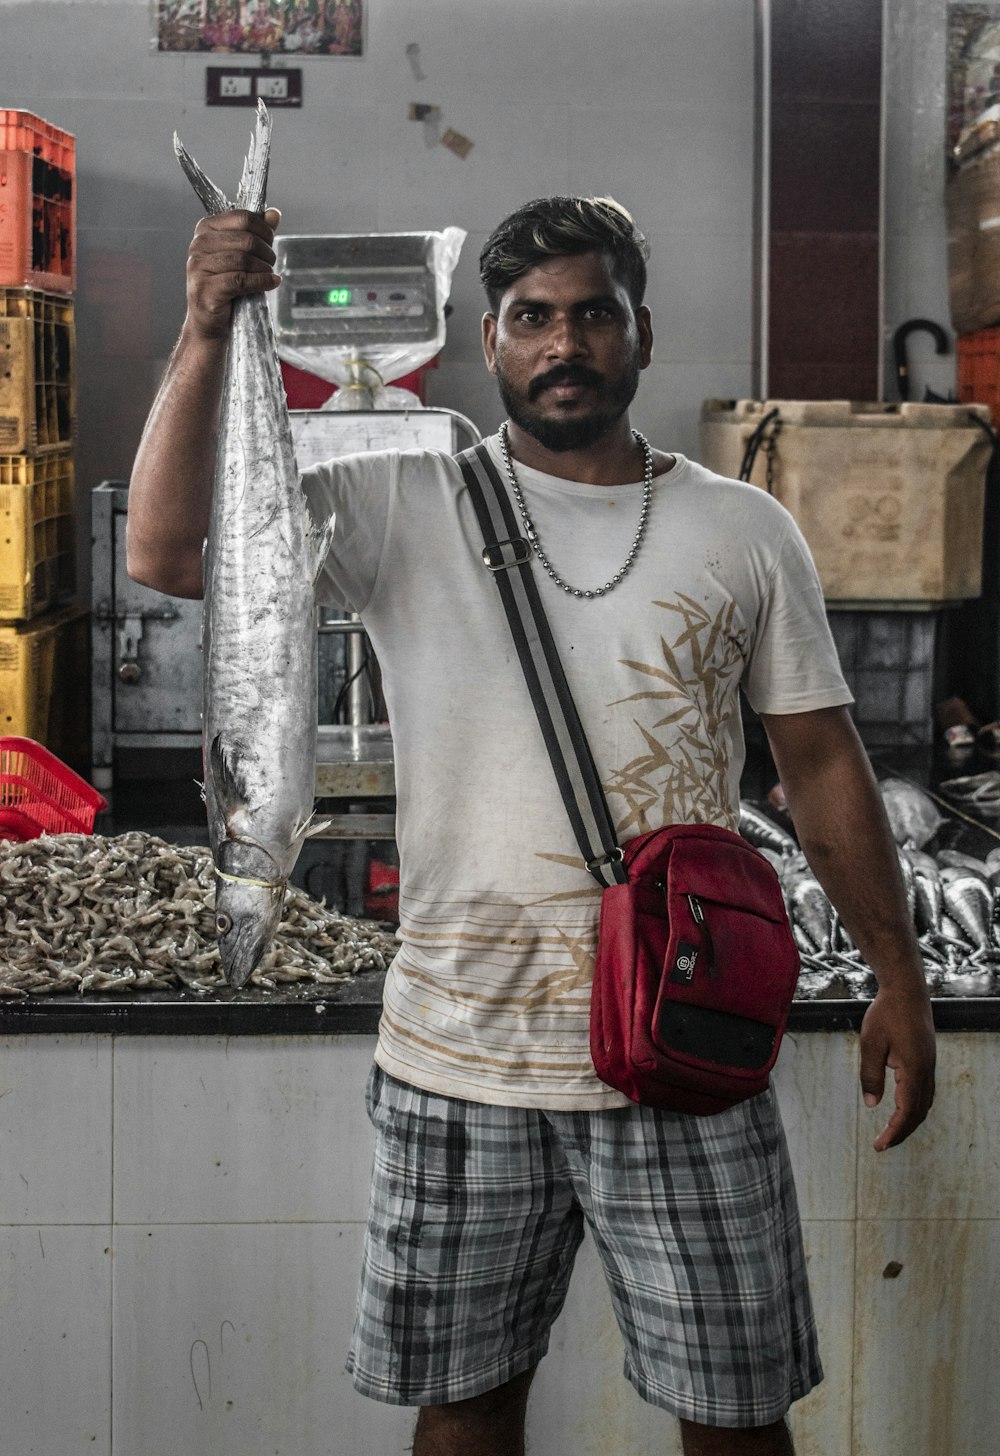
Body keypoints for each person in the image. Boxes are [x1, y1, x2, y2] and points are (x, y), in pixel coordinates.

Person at [127, 193, 936, 1456]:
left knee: (735, 1414)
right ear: (490, 342)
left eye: (593, 314)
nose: (566, 343)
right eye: (533, 319)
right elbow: (171, 553)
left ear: (642, 333)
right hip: (458, 1051)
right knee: (465, 1410)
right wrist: (201, 327)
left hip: (684, 1047)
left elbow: (822, 762)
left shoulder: (743, 528)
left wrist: (900, 974)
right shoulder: (398, 503)